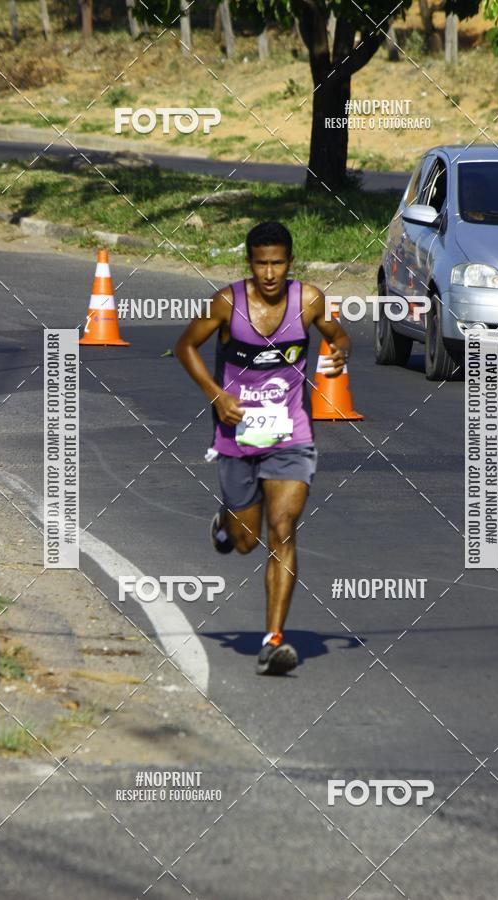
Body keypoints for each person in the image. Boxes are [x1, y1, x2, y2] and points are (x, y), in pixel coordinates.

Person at [174, 221, 351, 675]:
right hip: (237, 436)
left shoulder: (308, 300)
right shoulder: (228, 303)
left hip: (291, 434)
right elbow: (186, 347)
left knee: (283, 529)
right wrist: (216, 394)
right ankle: (226, 521)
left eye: (277, 263)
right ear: (249, 265)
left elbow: (336, 331)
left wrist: (341, 347)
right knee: (247, 542)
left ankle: (274, 641)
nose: (269, 273)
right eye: (260, 264)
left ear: (290, 263)